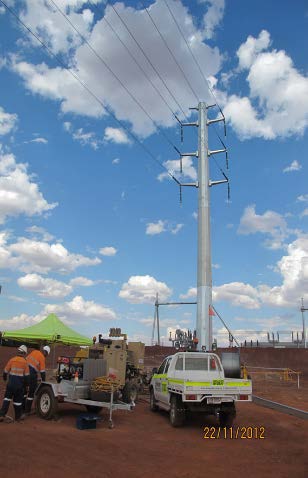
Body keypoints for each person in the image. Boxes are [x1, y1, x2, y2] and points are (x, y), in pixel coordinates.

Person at [0, 345, 30, 422]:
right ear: (24, 353)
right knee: (18, 402)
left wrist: (5, 379)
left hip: (10, 384)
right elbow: (27, 377)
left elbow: (5, 372)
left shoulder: (12, 360)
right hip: (19, 386)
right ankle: (18, 417)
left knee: (6, 399)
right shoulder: (25, 362)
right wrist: (27, 386)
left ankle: (2, 415)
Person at [25, 345, 50, 414]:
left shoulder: (34, 351)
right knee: (31, 392)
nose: (46, 356)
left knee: (24, 391)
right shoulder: (42, 357)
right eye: (47, 354)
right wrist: (44, 381)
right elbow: (42, 372)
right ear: (46, 352)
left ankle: (21, 408)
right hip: (31, 374)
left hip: (24, 372)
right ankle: (27, 410)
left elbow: (28, 361)